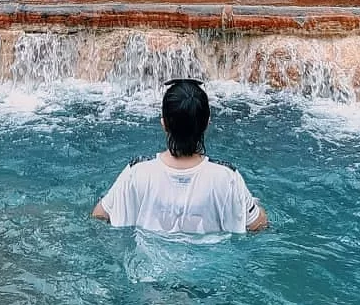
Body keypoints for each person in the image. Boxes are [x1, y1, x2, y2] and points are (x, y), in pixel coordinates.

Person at [91, 79, 268, 235]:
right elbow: (257, 225)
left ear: (164, 124)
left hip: (148, 262)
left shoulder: (136, 172)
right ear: (206, 124)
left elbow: (99, 215)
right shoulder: (228, 178)